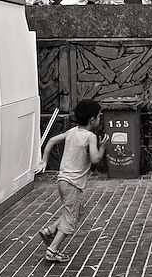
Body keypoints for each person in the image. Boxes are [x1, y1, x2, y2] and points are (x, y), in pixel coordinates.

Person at [35, 99, 108, 262]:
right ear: (92, 120)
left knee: (75, 211)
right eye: (99, 116)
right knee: (71, 218)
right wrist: (102, 147)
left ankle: (50, 230)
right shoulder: (90, 137)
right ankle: (52, 250)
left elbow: (51, 140)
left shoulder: (72, 131)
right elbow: (95, 159)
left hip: (63, 181)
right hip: (73, 184)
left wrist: (44, 160)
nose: (99, 119)